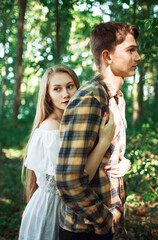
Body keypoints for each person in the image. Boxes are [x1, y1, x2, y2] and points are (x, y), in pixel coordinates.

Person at [55, 21, 141, 240]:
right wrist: (105, 221)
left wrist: (120, 161)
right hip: (85, 228)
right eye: (130, 50)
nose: (138, 57)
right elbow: (67, 180)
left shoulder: (115, 97)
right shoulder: (91, 98)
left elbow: (100, 155)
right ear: (108, 57)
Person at [19, 64, 118, 240]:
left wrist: (121, 161)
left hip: (70, 208)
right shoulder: (52, 128)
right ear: (48, 97)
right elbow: (78, 179)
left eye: (70, 86)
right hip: (52, 211)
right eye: (57, 89)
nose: (65, 94)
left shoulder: (69, 124)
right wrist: (103, 142)